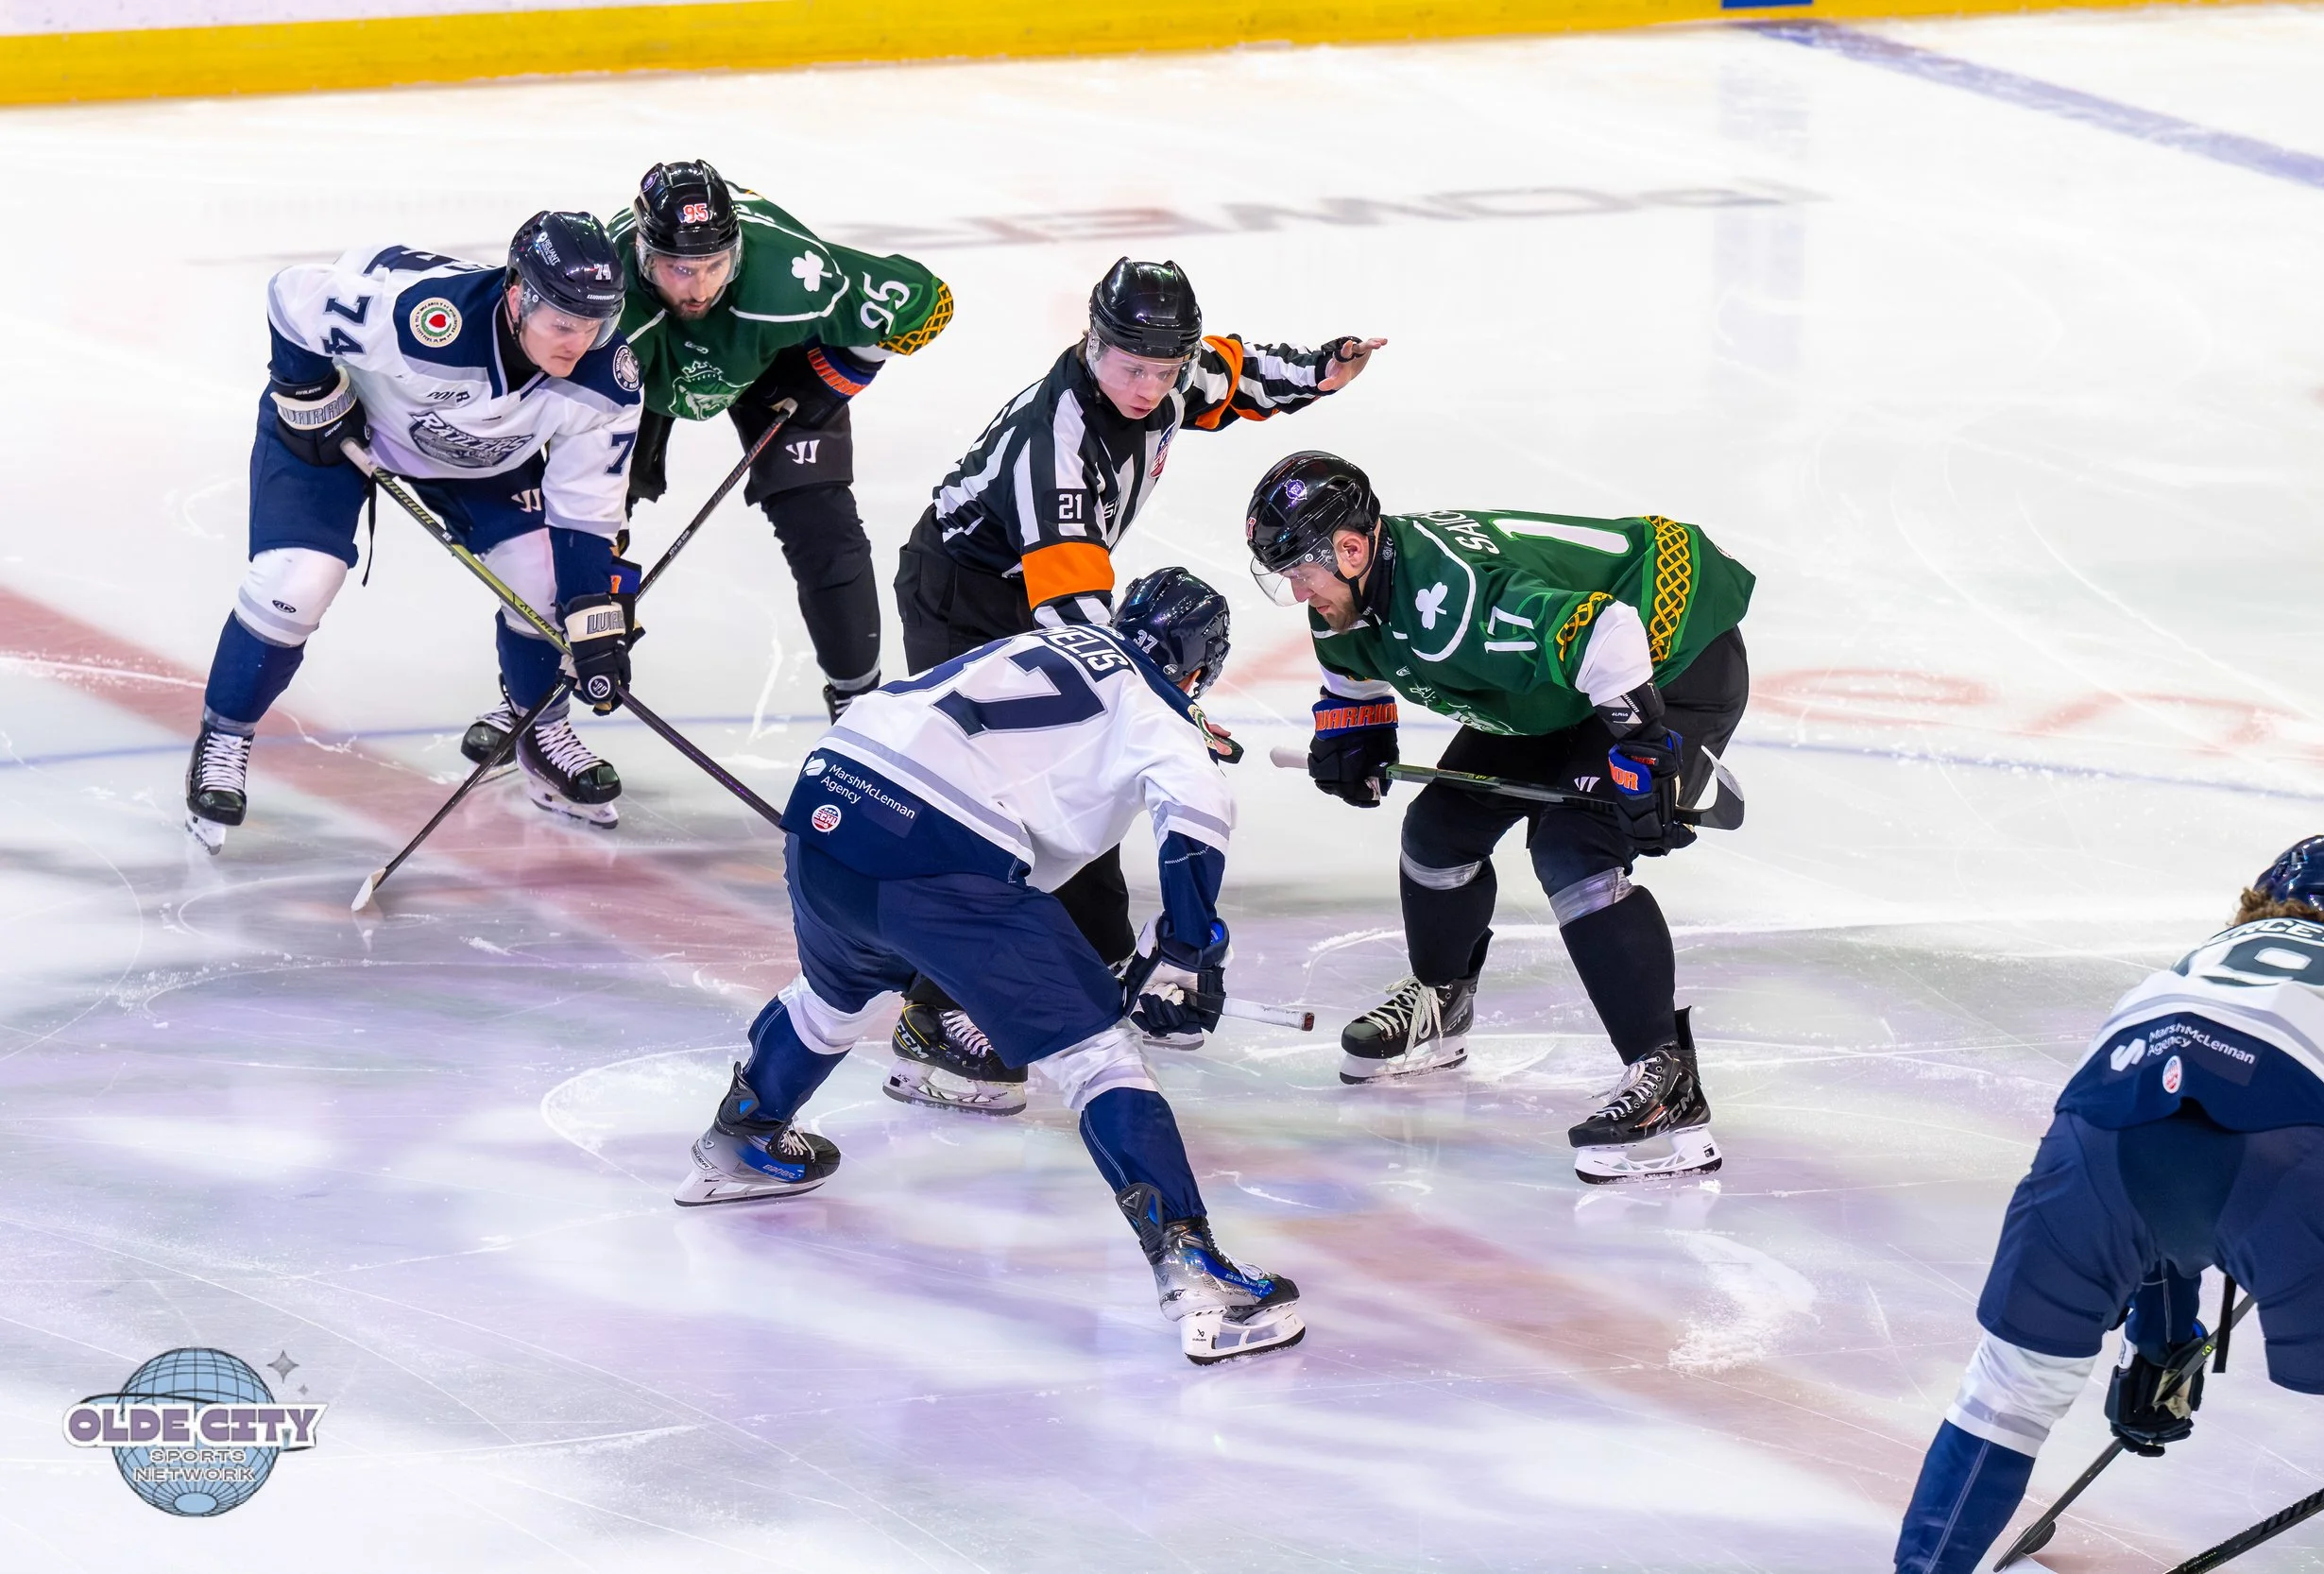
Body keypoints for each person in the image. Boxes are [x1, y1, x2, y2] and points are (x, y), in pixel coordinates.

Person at [674, 569, 1304, 1365]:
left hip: (829, 803)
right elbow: (1197, 823)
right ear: (1194, 670)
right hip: (941, 853)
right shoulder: (1161, 720)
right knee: (1098, 1058)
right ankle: (1198, 1272)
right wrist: (1188, 951)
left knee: (835, 994)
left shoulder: (1040, 641)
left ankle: (741, 1141)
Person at [888, 256, 1382, 1098]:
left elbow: (1235, 374)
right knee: (994, 802)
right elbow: (1073, 618)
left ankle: (1092, 950)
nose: (1150, 387)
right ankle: (931, 1017)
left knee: (1075, 782)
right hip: (967, 599)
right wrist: (1163, 716)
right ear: (1092, 340)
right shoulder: (1057, 447)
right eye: (1131, 367)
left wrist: (1319, 370)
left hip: (1031, 595)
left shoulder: (1165, 372)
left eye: (1164, 369)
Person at [1243, 451, 1755, 1183]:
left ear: (1352, 550)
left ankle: (1666, 1078)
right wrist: (1350, 745)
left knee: (1575, 849)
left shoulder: (1455, 604)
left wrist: (1646, 757)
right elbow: (1354, 692)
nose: (1297, 593)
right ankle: (1442, 1000)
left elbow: (1606, 632)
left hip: (1669, 654)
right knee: (1438, 831)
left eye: (1302, 572)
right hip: (1557, 679)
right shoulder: (1350, 597)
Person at [1892, 835, 2324, 1573]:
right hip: (2284, 1148)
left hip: (2100, 1131)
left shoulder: (2191, 968)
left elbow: (2162, 1159)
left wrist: (2161, 1338)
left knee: (2006, 1397)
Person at [451, 160, 951, 766]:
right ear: (641, 251)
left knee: (824, 529)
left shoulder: (791, 277)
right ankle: (534, 699)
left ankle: (862, 709)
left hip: (776, 366)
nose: (698, 287)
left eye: (714, 265)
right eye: (678, 268)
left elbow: (929, 303)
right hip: (638, 379)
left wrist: (832, 379)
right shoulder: (607, 312)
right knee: (580, 535)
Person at [185, 213, 642, 848]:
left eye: (596, 325)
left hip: (485, 459)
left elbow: (586, 514)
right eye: (562, 323)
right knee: (296, 581)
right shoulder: (429, 323)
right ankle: (224, 737)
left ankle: (541, 729)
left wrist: (592, 628)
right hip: (353, 426)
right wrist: (309, 392)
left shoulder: (608, 378)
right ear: (517, 297)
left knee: (543, 579)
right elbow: (293, 296)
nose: (578, 342)